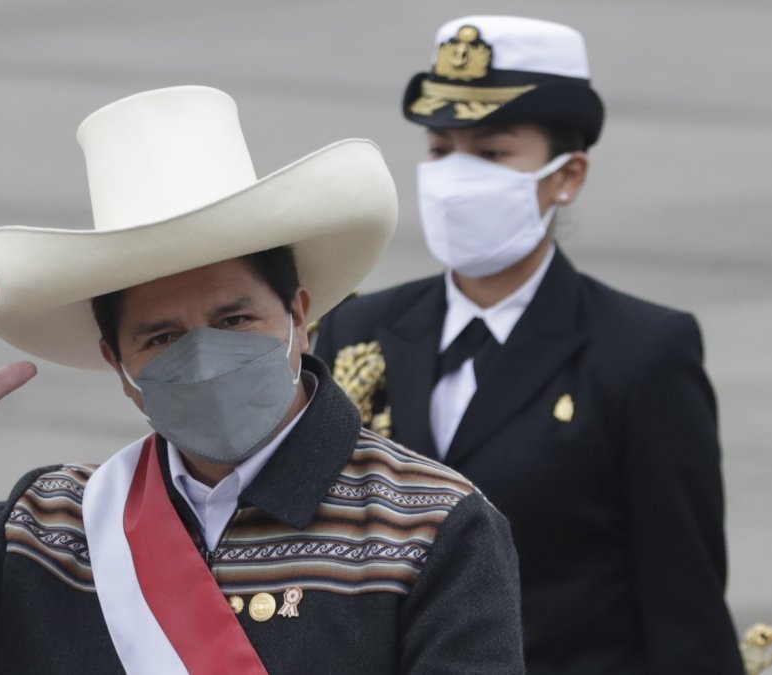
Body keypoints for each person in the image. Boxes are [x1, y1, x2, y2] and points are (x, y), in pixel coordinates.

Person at [0, 85, 525, 674]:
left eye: (235, 319)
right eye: (163, 336)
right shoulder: (52, 525)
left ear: (299, 312)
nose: (203, 358)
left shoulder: (427, 526)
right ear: (118, 363)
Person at [313, 16, 744, 675]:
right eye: (440, 149)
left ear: (566, 176)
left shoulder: (641, 353)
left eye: (490, 153)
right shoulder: (358, 330)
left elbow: (684, 608)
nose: (455, 177)